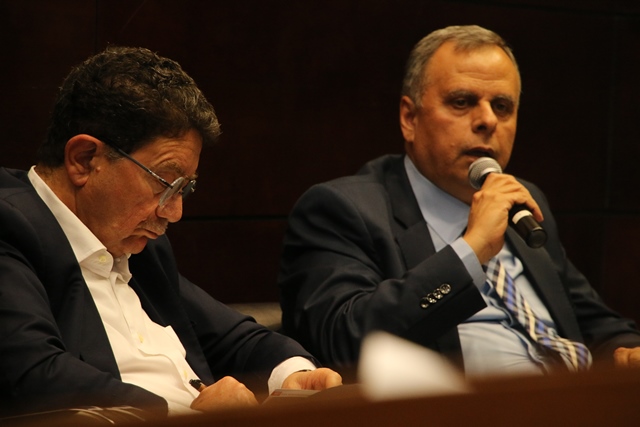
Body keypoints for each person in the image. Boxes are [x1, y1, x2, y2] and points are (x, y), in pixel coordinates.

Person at [278, 25, 640, 377]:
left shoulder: (522, 202)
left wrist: (628, 349)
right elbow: (343, 342)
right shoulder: (342, 209)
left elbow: (593, 322)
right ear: (409, 118)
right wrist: (471, 250)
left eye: (502, 106)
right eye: (462, 102)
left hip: (576, 398)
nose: (487, 120)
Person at [0, 46, 341, 418]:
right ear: (85, 160)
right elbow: (32, 376)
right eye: (165, 182)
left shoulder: (138, 247)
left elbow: (233, 337)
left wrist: (294, 374)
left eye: (184, 188)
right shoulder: (11, 227)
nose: (174, 212)